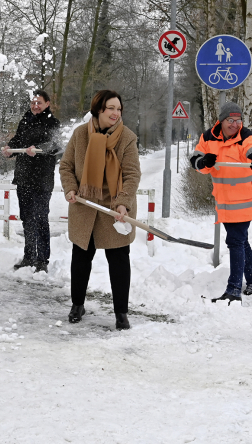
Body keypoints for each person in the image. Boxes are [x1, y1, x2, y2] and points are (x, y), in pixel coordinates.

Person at [59, 90, 141, 330]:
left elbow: (132, 174)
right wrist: (71, 188)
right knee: (81, 259)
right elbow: (66, 166)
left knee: (119, 261)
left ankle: (121, 312)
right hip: (85, 206)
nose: (116, 113)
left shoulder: (127, 137)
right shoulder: (80, 135)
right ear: (98, 110)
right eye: (111, 108)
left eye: (119, 109)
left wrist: (123, 202)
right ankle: (77, 304)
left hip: (115, 209)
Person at [189, 101, 252, 303]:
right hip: (225, 202)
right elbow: (196, 159)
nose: (235, 124)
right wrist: (204, 162)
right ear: (221, 121)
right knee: (241, 241)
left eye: (238, 120)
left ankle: (234, 289)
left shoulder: (247, 138)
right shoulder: (208, 138)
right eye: (230, 120)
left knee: (235, 241)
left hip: (246, 201)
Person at [1, 90, 62, 272]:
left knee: (40, 218)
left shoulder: (53, 123)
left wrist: (39, 149)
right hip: (24, 177)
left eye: (39, 103)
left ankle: (42, 260)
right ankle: (29, 256)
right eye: (33, 102)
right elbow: (18, 139)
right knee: (27, 217)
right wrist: (10, 148)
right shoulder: (25, 120)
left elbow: (56, 146)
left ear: (47, 104)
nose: (35, 106)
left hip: (42, 179)